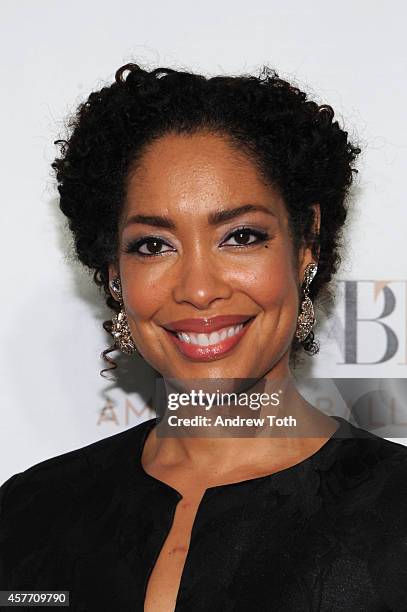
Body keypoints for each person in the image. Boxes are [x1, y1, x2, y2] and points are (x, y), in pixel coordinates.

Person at [1, 62, 407, 612]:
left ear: (305, 245)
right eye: (153, 245)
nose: (197, 289)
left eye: (241, 236)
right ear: (114, 273)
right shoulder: (29, 512)